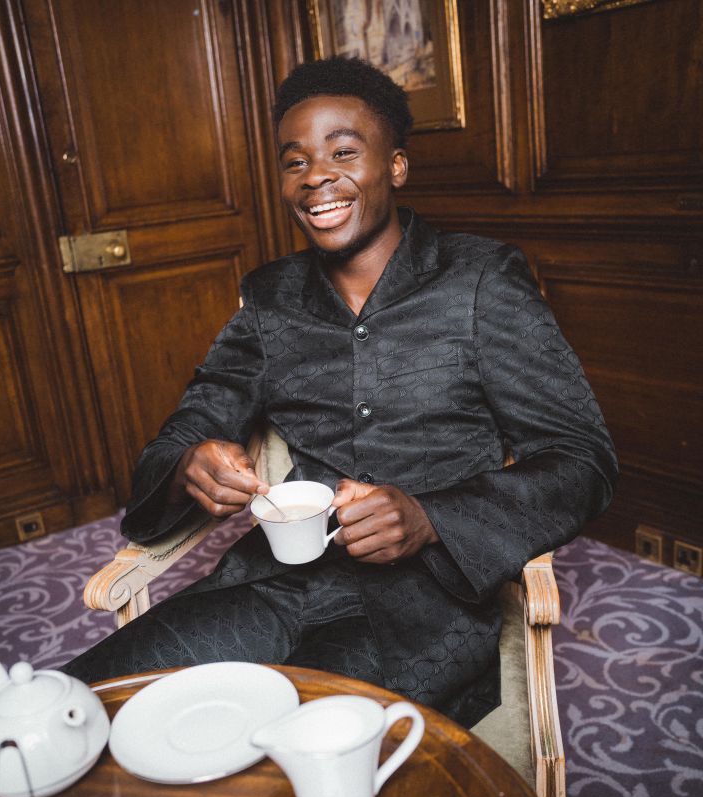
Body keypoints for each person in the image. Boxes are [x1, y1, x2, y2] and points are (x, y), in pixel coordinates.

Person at [63, 57, 617, 727]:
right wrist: (188, 466)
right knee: (75, 711)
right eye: (294, 162)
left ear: (396, 166)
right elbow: (182, 435)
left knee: (284, 759)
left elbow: (581, 459)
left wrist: (430, 517)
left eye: (343, 152)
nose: (316, 175)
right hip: (272, 584)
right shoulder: (269, 301)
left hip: (425, 611)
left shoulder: (480, 280)